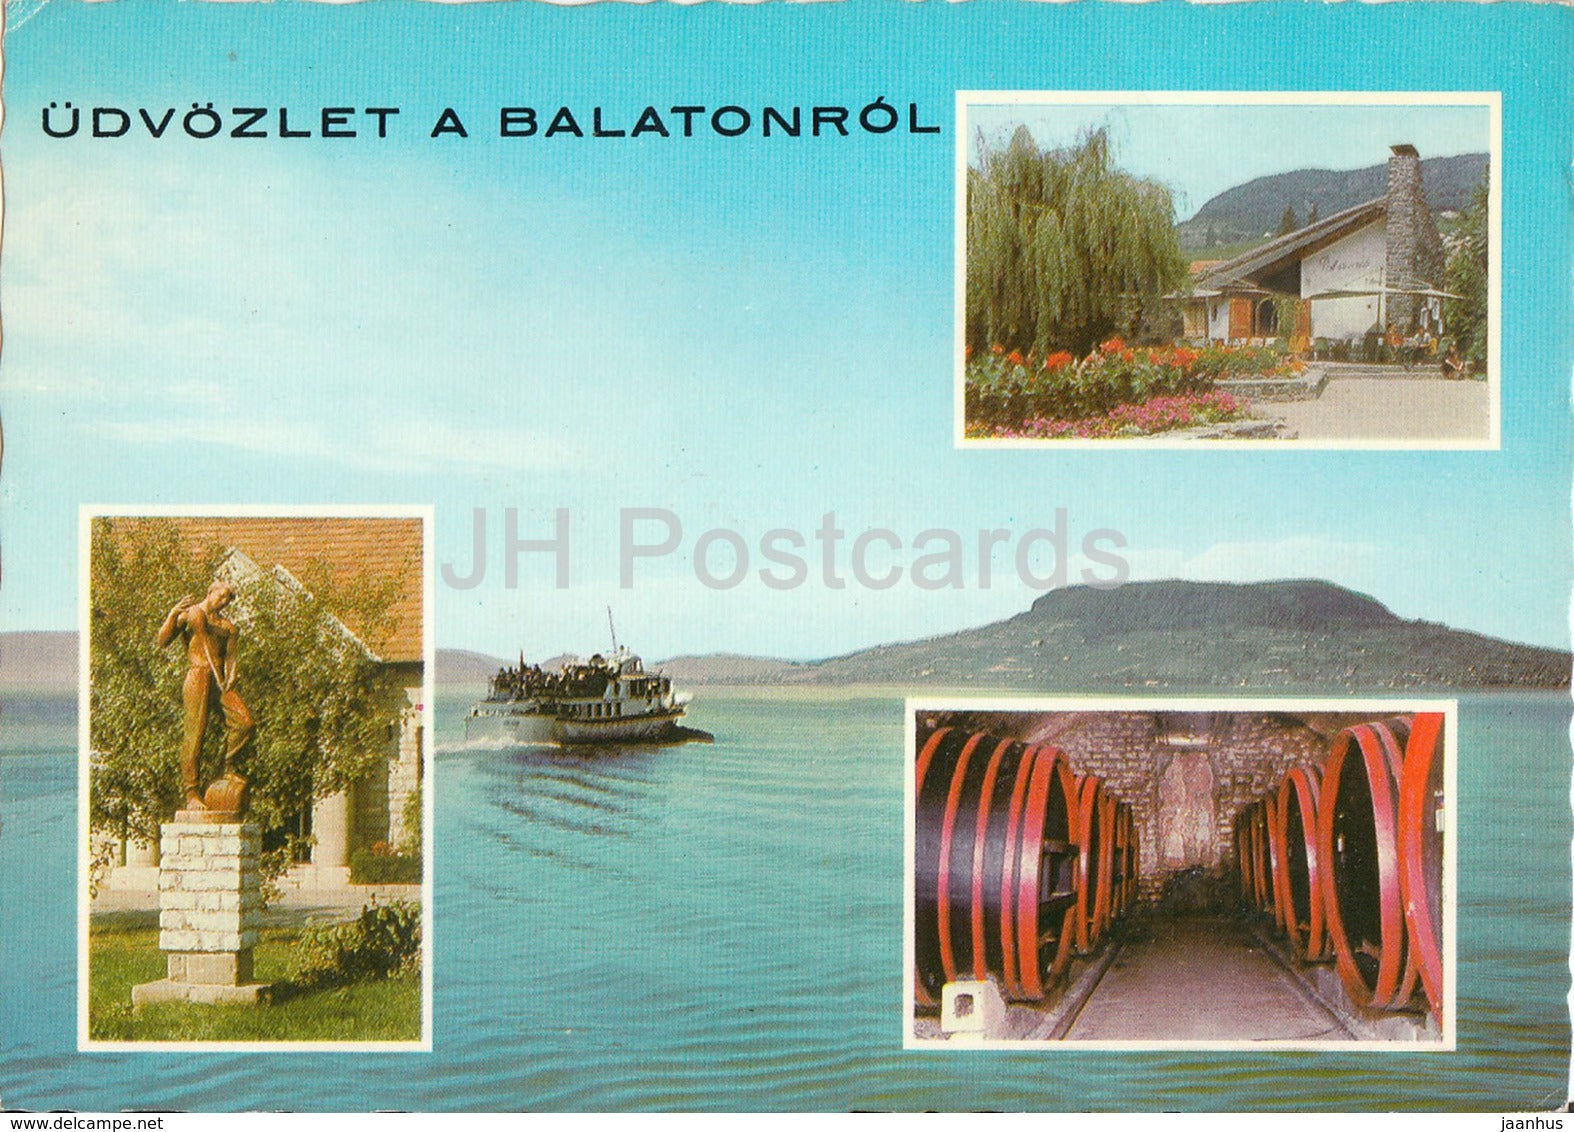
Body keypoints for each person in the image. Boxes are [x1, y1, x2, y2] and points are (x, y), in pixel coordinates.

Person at [157, 580, 254, 812]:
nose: (222, 602)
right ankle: (191, 791)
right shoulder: (192, 614)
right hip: (198, 676)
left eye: (227, 600)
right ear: (210, 592)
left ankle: (229, 766)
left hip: (219, 681)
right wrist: (172, 616)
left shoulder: (227, 627)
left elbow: (231, 657)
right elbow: (162, 641)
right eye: (220, 597)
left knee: (245, 723)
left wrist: (231, 675)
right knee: (195, 733)